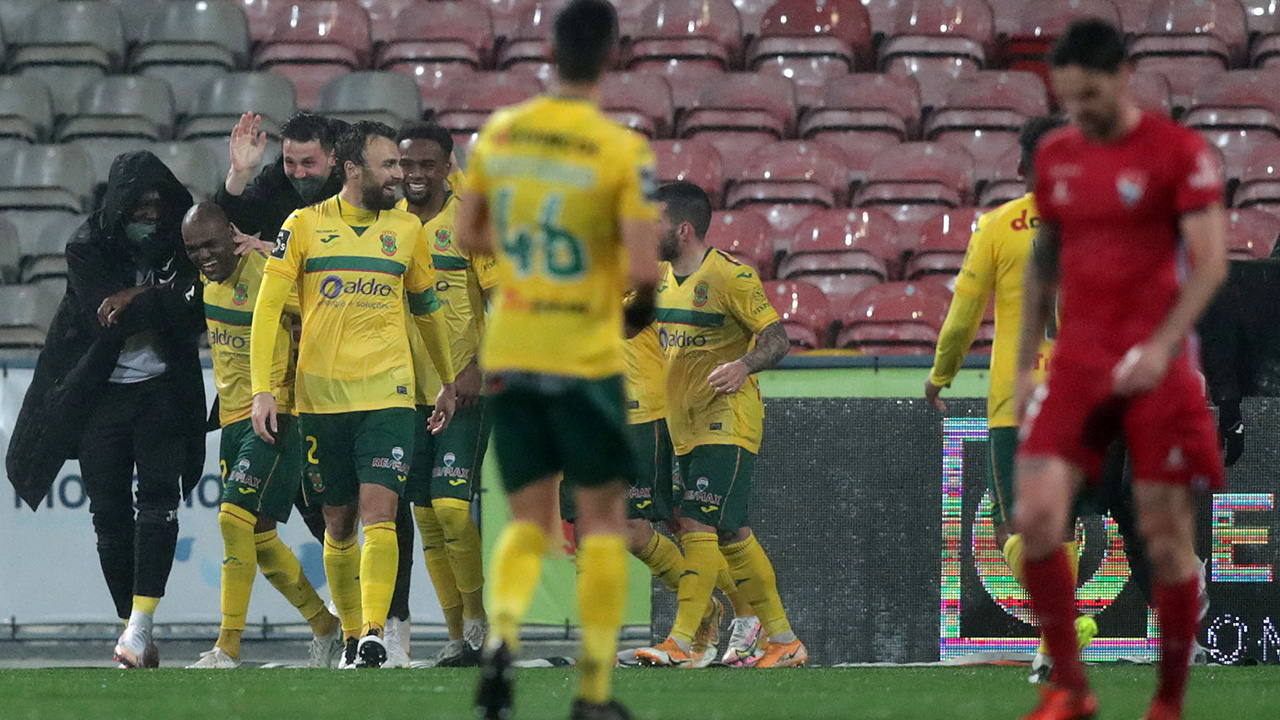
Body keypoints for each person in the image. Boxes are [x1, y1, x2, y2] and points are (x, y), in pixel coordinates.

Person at [1013, 20, 1227, 720]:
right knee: (1038, 518)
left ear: (1125, 75)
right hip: (1079, 360)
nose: (1082, 114)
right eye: (1070, 101)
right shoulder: (1058, 157)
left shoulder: (1178, 154)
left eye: (1091, 97)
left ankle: (1168, 698)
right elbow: (1044, 263)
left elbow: (1211, 263)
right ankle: (1071, 688)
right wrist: (1022, 367)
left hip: (1156, 362)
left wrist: (1164, 345)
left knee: (1164, 538)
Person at [457, 1, 661, 716]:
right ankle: (596, 692)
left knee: (526, 519)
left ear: (549, 49)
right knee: (602, 519)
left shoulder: (502, 134)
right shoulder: (619, 150)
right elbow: (642, 266)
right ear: (612, 55)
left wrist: (524, 264)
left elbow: (467, 233)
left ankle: (502, 645)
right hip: (584, 353)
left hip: (511, 348)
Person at [249, 121, 458, 670]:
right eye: (388, 165)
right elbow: (268, 311)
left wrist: (446, 380)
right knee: (338, 525)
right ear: (352, 170)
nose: (399, 175)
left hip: (388, 395)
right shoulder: (303, 226)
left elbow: (428, 310)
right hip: (320, 400)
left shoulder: (407, 230)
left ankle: (373, 635)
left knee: (381, 514)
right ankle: (349, 635)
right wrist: (264, 389)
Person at [6, 151, 205, 667]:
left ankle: (139, 627)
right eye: (138, 207)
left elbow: (193, 311)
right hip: (100, 393)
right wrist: (161, 297)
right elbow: (105, 320)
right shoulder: (86, 245)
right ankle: (131, 625)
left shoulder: (180, 235)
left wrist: (138, 294)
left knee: (160, 502)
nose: (149, 216)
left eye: (156, 206)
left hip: (162, 388)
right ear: (118, 205)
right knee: (108, 515)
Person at [925, 116, 1098, 683]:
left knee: (1014, 531)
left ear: (1022, 167)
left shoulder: (999, 226)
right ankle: (1055, 650)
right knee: (1063, 525)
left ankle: (1064, 623)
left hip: (1017, 397)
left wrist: (940, 375)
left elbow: (961, 320)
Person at [633, 182, 806, 669]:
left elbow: (778, 339)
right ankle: (783, 640)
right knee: (732, 534)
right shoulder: (659, 277)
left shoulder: (730, 277)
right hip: (681, 424)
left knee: (697, 522)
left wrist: (743, 366)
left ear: (683, 229)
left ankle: (681, 641)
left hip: (727, 419)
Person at [180, 203, 343, 669]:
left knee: (233, 520)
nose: (204, 256)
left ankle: (227, 648)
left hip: (276, 414)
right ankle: (325, 626)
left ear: (232, 235)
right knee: (260, 537)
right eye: (194, 249)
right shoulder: (206, 280)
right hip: (232, 419)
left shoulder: (269, 273)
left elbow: (323, 301)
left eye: (211, 245)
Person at [387, 121, 496, 668]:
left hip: (465, 389)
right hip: (405, 394)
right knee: (426, 515)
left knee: (453, 508)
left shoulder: (471, 220)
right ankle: (457, 639)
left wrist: (480, 364)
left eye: (427, 164)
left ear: (447, 165)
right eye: (406, 164)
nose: (414, 175)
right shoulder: (388, 224)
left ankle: (477, 624)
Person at [215, 110, 346, 543]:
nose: (298, 173)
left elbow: (353, 258)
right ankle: (344, 604)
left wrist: (277, 252)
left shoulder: (354, 189)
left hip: (345, 355)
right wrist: (238, 174)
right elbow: (224, 230)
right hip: (286, 361)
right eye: (291, 162)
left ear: (333, 158)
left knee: (357, 498)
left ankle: (385, 606)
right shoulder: (277, 181)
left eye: (308, 163)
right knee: (302, 494)